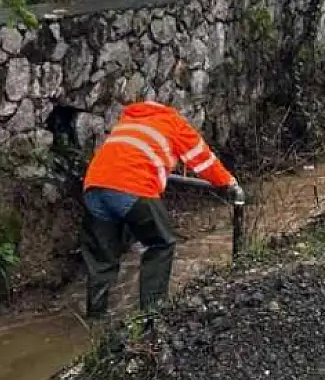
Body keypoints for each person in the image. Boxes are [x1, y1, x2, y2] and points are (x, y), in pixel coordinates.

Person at [79, 100, 244, 320]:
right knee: (161, 243)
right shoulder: (173, 122)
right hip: (133, 186)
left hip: (94, 187)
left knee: (102, 257)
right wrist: (228, 182)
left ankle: (95, 318)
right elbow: (203, 161)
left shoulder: (127, 122)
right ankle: (152, 315)